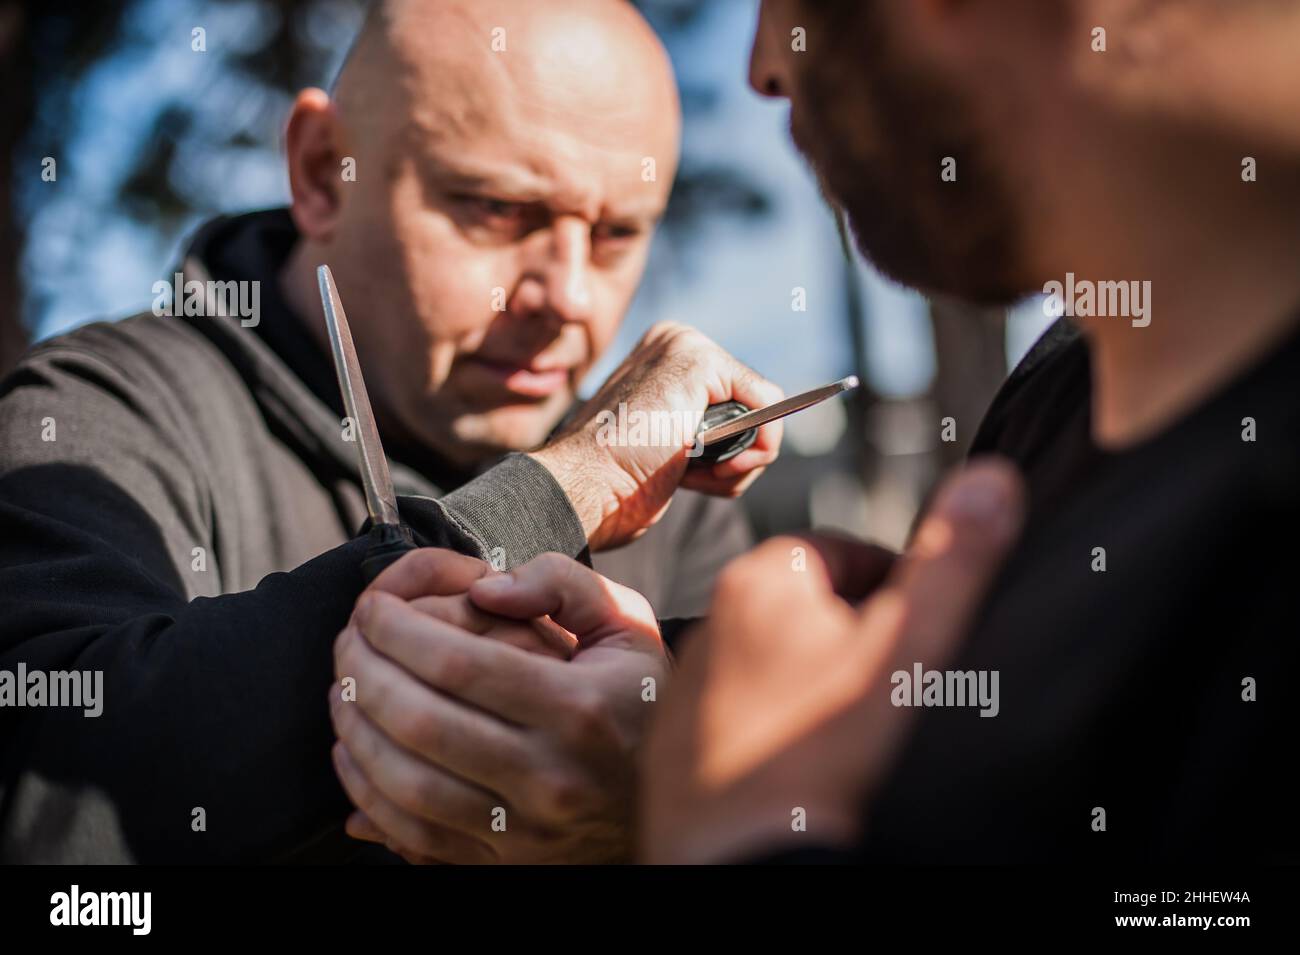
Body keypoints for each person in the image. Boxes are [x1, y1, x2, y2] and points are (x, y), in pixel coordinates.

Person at [339, 0, 1300, 864]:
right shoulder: (1058, 392)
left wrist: (742, 830)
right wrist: (669, 753)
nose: (762, 64)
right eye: (496, 208)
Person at [0, 0, 784, 863]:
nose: (568, 297)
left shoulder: (674, 492)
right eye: (495, 207)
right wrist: (558, 494)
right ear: (321, 171)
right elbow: (47, 802)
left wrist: (649, 799)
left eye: (616, 234)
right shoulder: (99, 410)